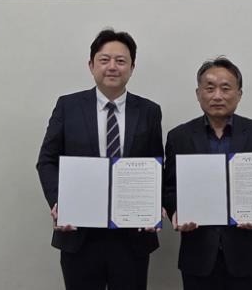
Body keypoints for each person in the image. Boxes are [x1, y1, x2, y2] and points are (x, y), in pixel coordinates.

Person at [37, 29, 163, 290]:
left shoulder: (149, 111)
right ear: (91, 65)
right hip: (79, 233)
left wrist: (154, 205)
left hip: (131, 236)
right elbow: (47, 160)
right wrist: (59, 202)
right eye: (104, 60)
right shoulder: (68, 106)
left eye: (121, 61)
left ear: (132, 67)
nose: (112, 67)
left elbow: (155, 164)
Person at [162, 57, 252, 290]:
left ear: (239, 94)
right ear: (198, 94)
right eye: (209, 88)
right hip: (198, 255)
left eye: (225, 88)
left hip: (249, 255)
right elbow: (169, 187)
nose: (217, 96)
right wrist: (176, 212)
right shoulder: (179, 137)